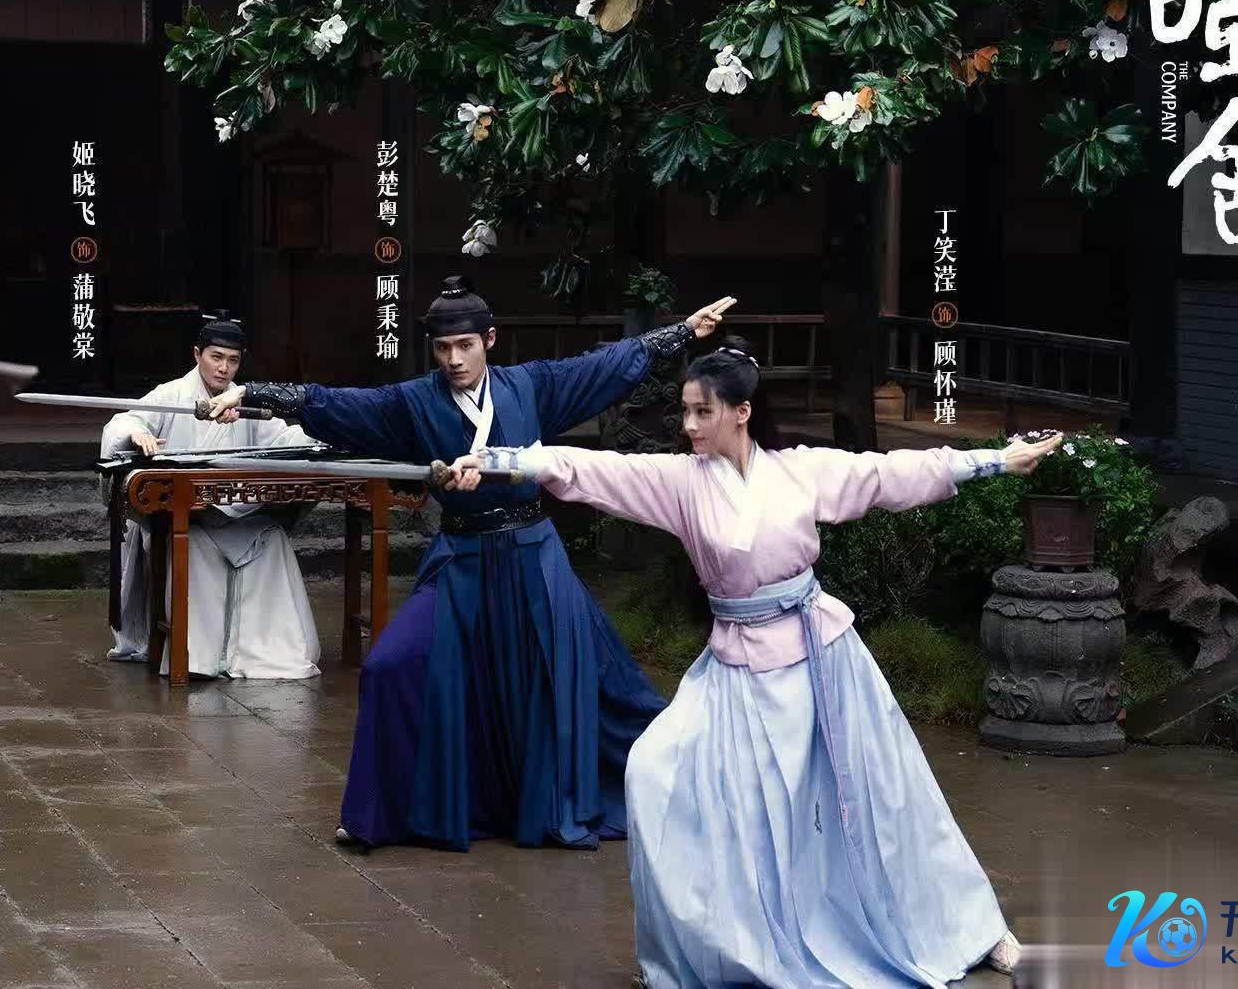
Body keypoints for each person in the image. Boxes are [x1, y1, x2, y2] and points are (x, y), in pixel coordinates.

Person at [450, 338, 1056, 986]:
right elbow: (590, 467)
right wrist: (498, 461)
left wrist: (995, 460)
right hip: (736, 668)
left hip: (821, 661)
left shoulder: (800, 472)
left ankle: (970, 928)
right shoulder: (680, 482)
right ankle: (729, 945)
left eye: (702, 412)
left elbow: (888, 475)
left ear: (740, 412)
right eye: (685, 411)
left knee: (889, 803)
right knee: (656, 772)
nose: (688, 425)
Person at [205, 277, 737, 852]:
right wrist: (252, 393)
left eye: (465, 346)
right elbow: (337, 404)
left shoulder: (531, 386)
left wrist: (683, 332)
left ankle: (684, 786)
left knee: (592, 687)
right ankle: (378, 815)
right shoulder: (413, 402)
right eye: (442, 348)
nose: (454, 360)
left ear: (489, 340)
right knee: (390, 665)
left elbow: (602, 367)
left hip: (534, 559)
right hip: (461, 558)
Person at [99, 311, 320, 680]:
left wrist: (322, 428)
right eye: (216, 357)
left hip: (234, 514)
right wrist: (136, 434)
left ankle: (260, 652)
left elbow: (283, 437)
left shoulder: (244, 402)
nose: (224, 368)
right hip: (181, 517)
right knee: (194, 545)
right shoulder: (171, 394)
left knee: (273, 540)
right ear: (197, 354)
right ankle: (198, 658)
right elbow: (124, 421)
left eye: (233, 360)